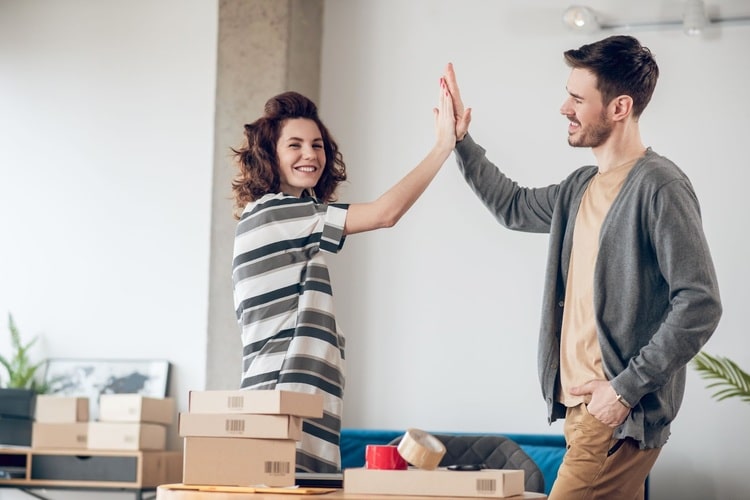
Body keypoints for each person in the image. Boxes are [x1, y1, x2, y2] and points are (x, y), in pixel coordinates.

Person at [443, 35, 721, 499]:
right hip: (582, 408)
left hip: (616, 412)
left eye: (576, 98)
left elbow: (699, 303)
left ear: (619, 108)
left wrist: (625, 389)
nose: (563, 108)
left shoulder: (659, 186)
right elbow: (513, 206)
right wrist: (460, 141)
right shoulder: (581, 187)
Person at [230, 85, 455, 473]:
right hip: (284, 398)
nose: (310, 155)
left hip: (303, 397)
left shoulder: (297, 217)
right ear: (270, 155)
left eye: (317, 145)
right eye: (295, 145)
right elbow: (386, 213)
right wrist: (442, 147)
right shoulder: (275, 213)